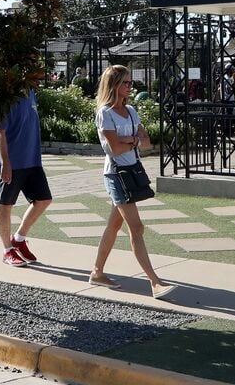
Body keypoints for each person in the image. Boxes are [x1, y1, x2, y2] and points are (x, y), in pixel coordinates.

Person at [89, 65, 176, 299]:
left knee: (114, 225)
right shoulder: (105, 113)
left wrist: (130, 140)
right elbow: (115, 149)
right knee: (136, 228)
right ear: (114, 85)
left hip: (131, 171)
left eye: (130, 82)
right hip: (116, 175)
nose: (130, 86)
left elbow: (146, 142)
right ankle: (154, 282)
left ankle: (97, 272)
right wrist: (132, 140)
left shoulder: (131, 111)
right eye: (126, 83)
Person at [0, 88, 53, 267]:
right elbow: (0, 132)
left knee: (44, 200)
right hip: (13, 162)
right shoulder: (5, 96)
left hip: (33, 161)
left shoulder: (31, 91)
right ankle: (7, 251)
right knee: (6, 205)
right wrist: (6, 162)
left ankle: (19, 239)